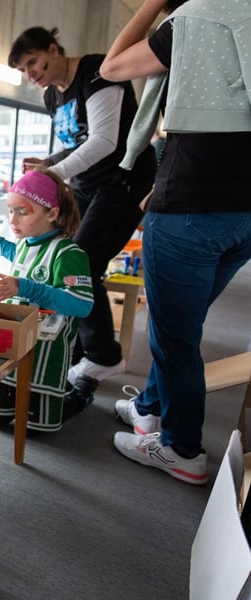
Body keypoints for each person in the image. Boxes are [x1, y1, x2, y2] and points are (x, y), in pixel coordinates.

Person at [99, 0, 251, 484]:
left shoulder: (195, 18)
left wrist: (154, 5)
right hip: (243, 216)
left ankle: (182, 449)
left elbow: (112, 66)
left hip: (191, 205)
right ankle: (149, 408)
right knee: (180, 324)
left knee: (175, 336)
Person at [8, 26, 157, 403]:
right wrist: (49, 162)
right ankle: (75, 348)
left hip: (122, 180)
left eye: (33, 63)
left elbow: (104, 142)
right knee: (63, 258)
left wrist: (52, 173)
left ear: (53, 49)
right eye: (23, 70)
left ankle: (103, 356)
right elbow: (76, 144)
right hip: (86, 186)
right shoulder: (52, 96)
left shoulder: (96, 72)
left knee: (82, 262)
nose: (30, 74)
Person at [0, 168, 93, 432]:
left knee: (34, 429)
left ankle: (78, 397)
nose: (13, 219)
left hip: (46, 356)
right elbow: (12, 252)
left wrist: (24, 287)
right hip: (14, 349)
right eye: (10, 211)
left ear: (52, 214)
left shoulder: (68, 253)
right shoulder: (26, 243)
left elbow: (82, 305)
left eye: (22, 212)